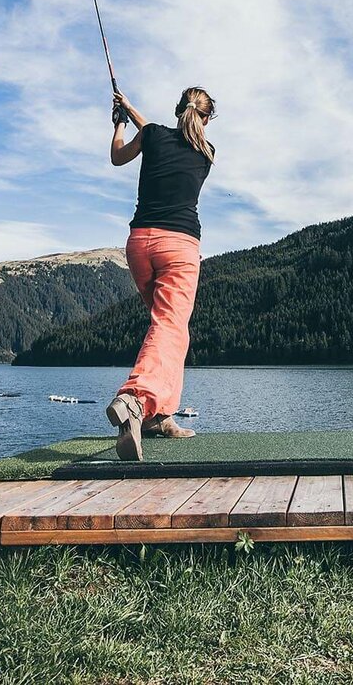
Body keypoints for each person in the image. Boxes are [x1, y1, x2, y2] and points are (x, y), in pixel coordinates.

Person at [104, 86, 217, 460]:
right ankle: (135, 399)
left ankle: (159, 417)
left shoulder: (152, 135)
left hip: (140, 245)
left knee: (170, 331)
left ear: (177, 110)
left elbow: (118, 156)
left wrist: (120, 122)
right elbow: (163, 133)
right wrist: (131, 110)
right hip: (179, 247)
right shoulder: (206, 153)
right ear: (206, 119)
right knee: (170, 327)